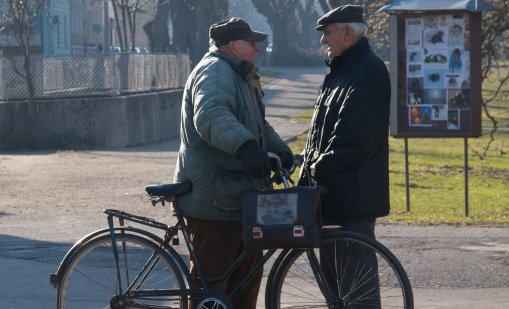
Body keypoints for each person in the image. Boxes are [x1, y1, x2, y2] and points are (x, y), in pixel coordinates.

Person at [173, 17, 293, 308]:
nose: (257, 48)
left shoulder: (239, 75)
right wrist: (247, 149)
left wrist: (281, 152)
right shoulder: (215, 72)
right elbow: (211, 116)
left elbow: (257, 125)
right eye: (251, 42)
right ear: (232, 45)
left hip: (238, 197)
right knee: (211, 290)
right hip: (215, 200)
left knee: (243, 284)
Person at [298, 4, 391, 307]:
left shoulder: (368, 70)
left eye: (327, 33)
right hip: (332, 196)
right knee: (337, 293)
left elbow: (353, 139)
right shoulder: (342, 70)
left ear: (348, 32)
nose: (323, 40)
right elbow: (320, 135)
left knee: (356, 293)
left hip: (353, 198)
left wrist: (314, 168)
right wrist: (304, 163)